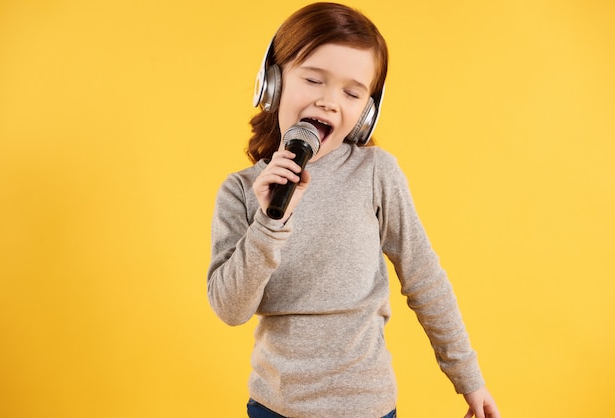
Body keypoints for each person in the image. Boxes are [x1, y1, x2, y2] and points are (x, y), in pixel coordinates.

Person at [207, 3, 501, 417]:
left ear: (367, 110)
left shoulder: (376, 173)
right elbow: (230, 309)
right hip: (276, 407)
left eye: (351, 92)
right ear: (272, 84)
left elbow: (425, 279)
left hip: (368, 407)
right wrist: (269, 222)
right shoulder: (240, 191)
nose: (329, 102)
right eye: (313, 79)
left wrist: (469, 378)